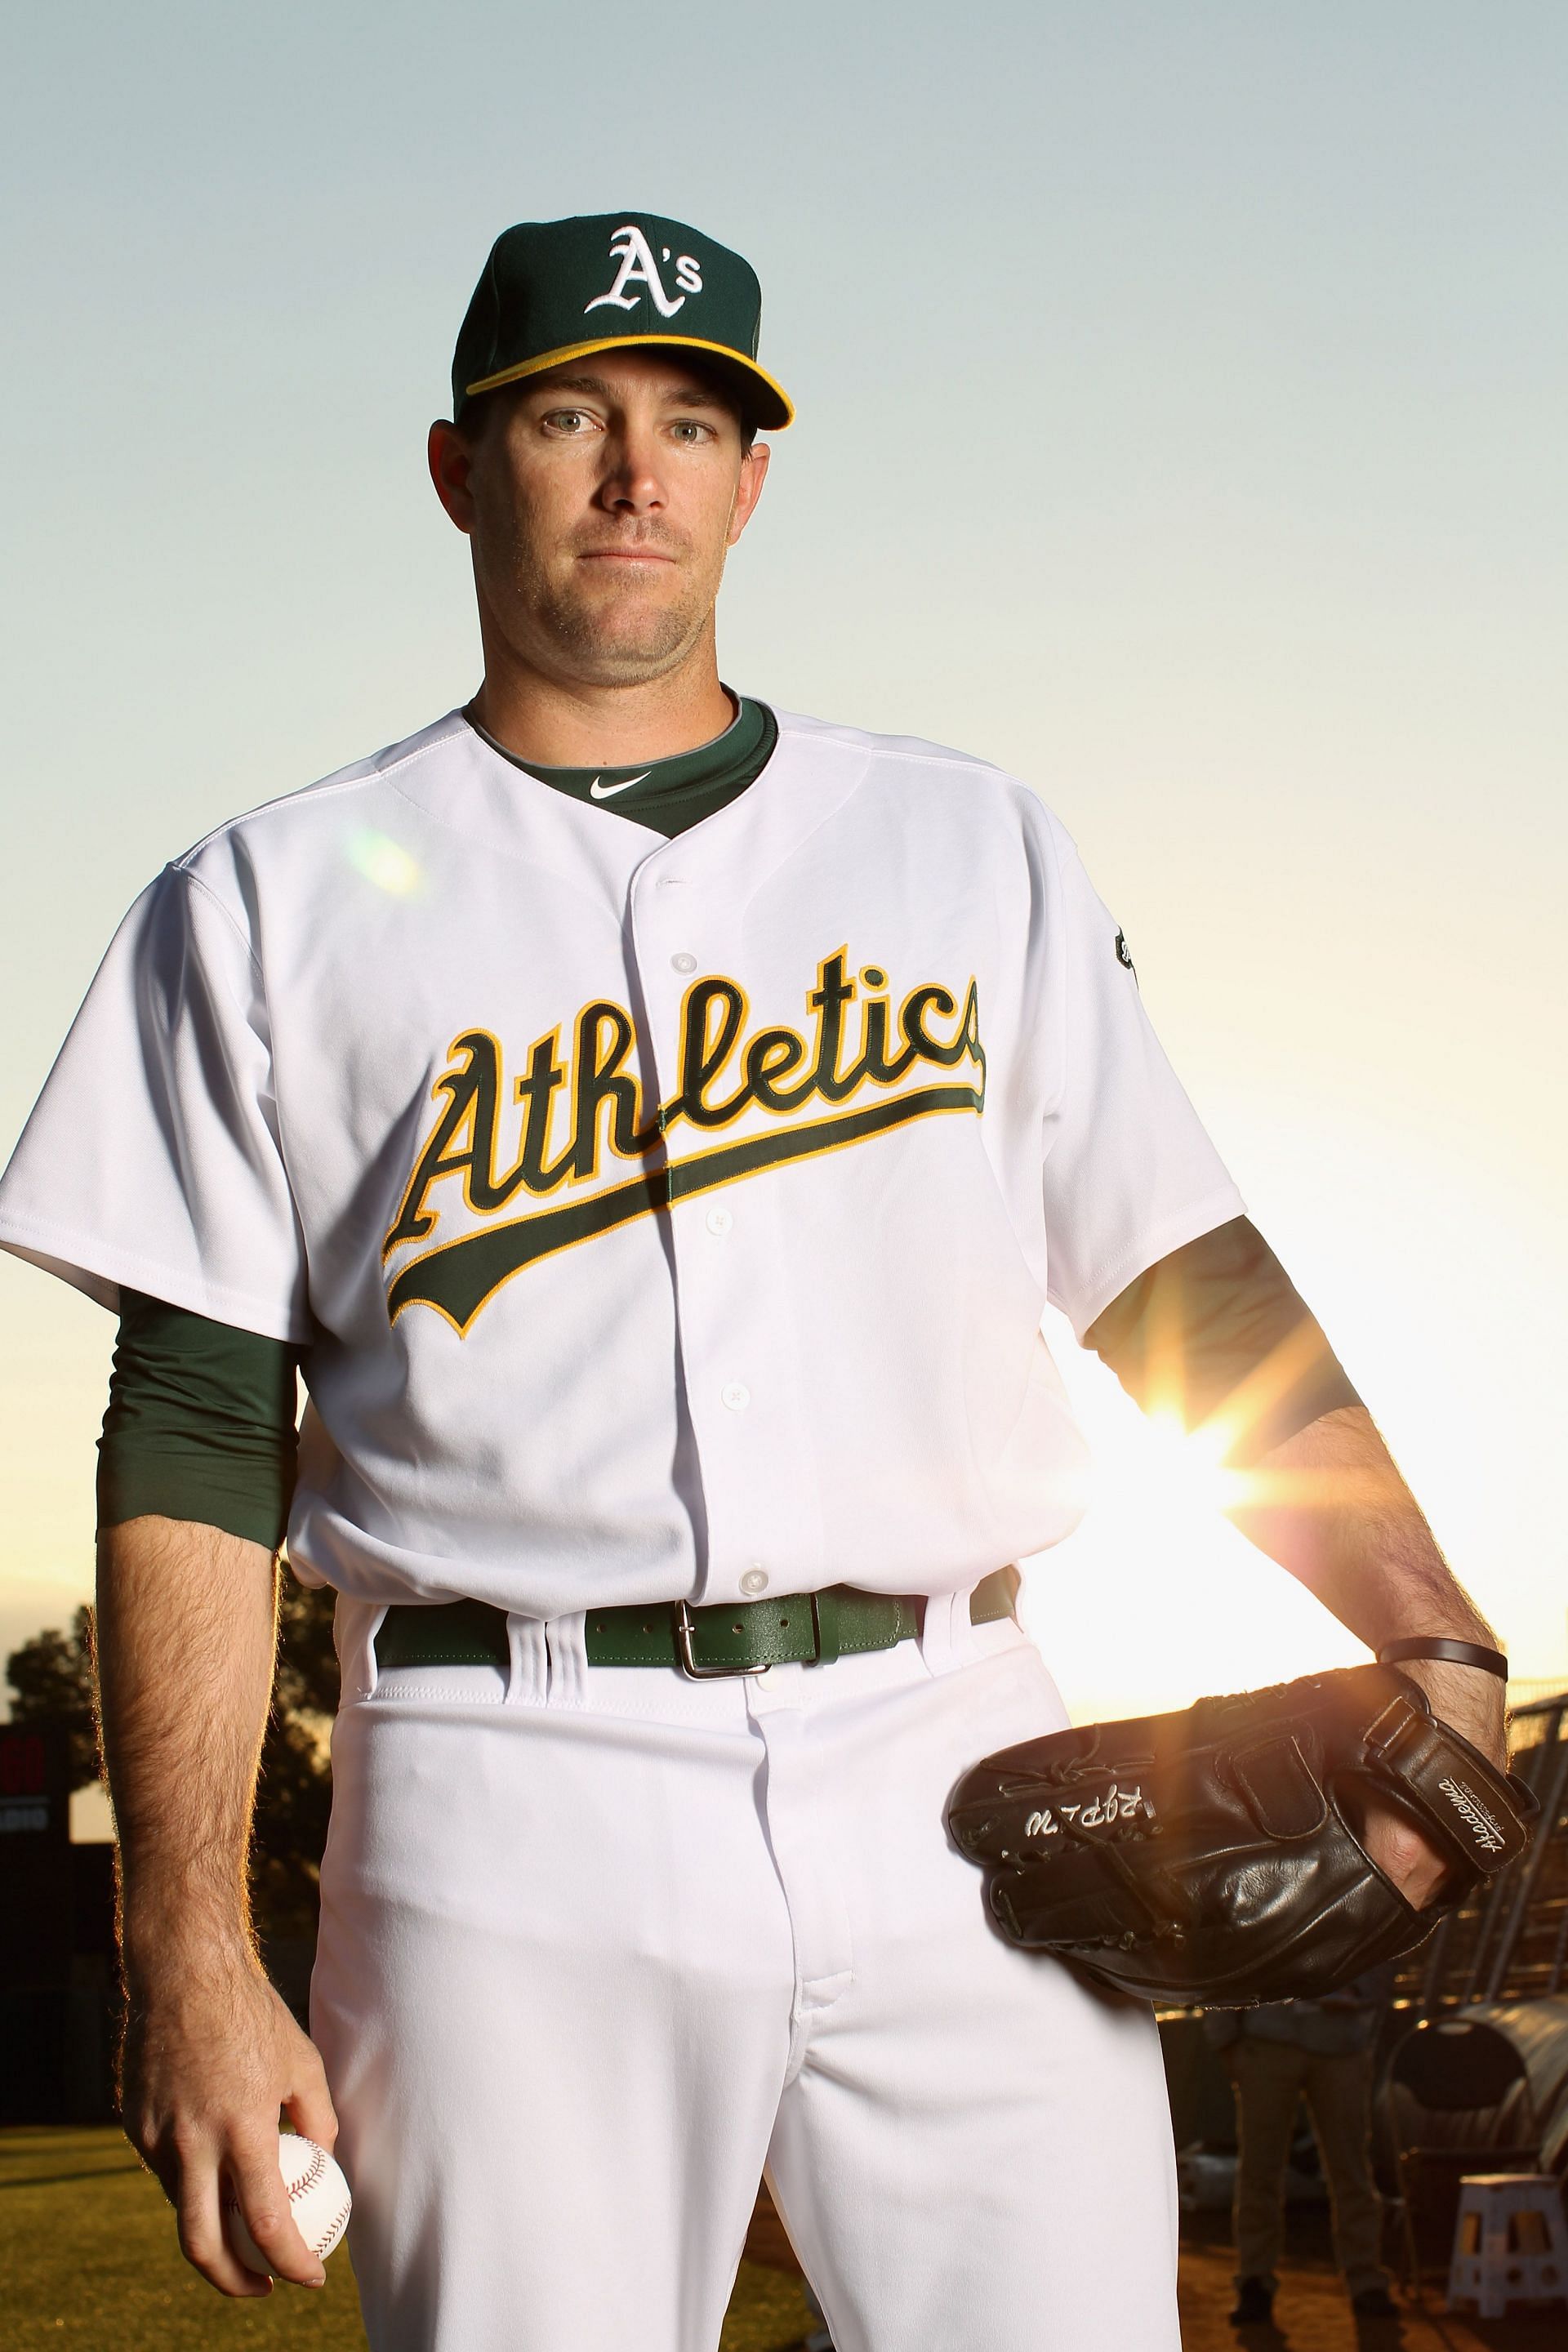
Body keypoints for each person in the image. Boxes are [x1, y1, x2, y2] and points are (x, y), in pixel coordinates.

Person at [0, 209, 1506, 2352]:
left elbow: (1185, 1288)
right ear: (460, 467)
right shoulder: (264, 899)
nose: (637, 474)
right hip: (509, 1792)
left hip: (971, 1769)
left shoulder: (971, 844)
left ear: (751, 479)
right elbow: (193, 1427)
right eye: (573, 418)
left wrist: (1429, 1627)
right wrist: (186, 1947)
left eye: (692, 422)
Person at [1206, 1972, 1400, 2327]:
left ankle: (1365, 2278)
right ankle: (1254, 2279)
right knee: (1259, 2168)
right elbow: (1234, 1941)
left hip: (1340, 2042)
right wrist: (1226, 2037)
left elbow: (1383, 1938)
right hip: (1267, 2040)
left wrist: (1358, 1993)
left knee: (1351, 2168)